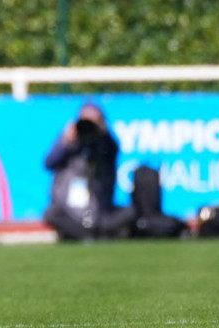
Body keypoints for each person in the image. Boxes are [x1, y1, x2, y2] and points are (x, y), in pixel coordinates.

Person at [42, 103, 183, 240]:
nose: (88, 126)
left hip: (100, 213)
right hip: (71, 212)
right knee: (51, 213)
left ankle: (86, 235)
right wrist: (66, 141)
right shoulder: (69, 146)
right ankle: (88, 235)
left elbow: (111, 149)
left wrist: (101, 131)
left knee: (135, 212)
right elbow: (49, 162)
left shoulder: (105, 145)